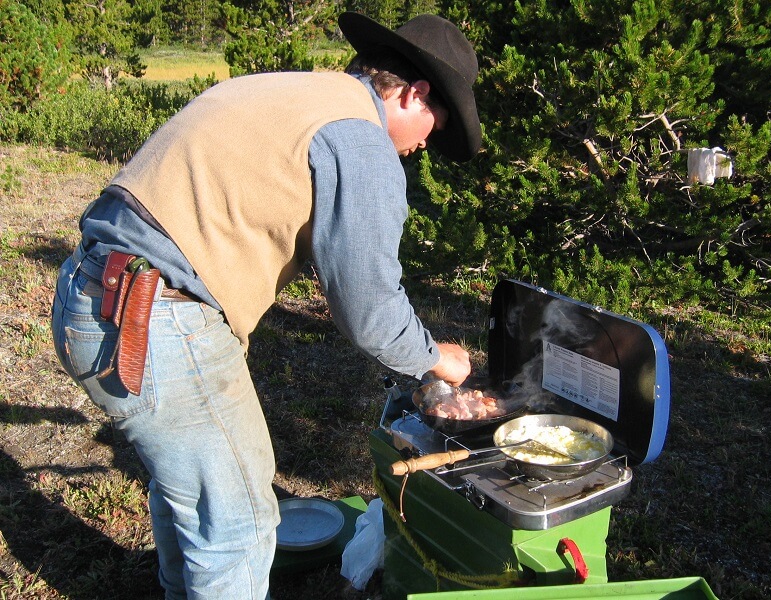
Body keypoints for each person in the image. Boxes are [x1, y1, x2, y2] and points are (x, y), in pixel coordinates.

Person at [51, 11, 480, 600]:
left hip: (94, 288)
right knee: (238, 526)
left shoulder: (293, 89)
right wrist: (436, 359)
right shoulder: (359, 135)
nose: (426, 143)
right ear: (413, 93)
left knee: (197, 500)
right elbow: (370, 310)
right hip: (156, 313)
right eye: (438, 123)